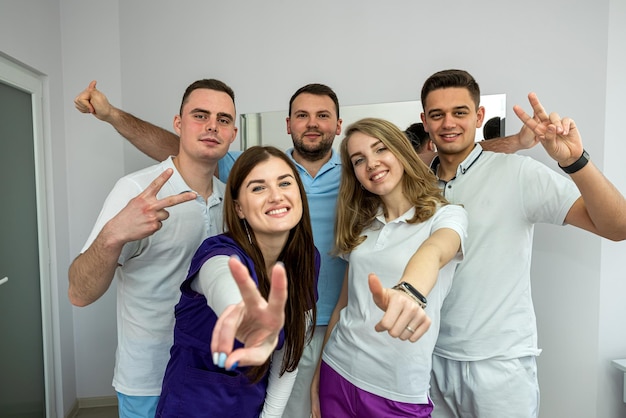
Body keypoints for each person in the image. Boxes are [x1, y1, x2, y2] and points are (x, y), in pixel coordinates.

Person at [73, 80, 534, 417]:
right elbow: (191, 160)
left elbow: (432, 173)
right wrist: (114, 116)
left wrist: (510, 143)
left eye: (322, 116)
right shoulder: (243, 183)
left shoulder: (357, 176)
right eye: (301, 115)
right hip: (198, 371)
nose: (275, 195)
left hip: (320, 330)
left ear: (336, 125)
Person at [418, 69, 626, 418]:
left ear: (479, 116)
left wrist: (573, 160)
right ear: (425, 121)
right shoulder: (416, 186)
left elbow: (618, 226)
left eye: (460, 112)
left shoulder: (518, 173)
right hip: (429, 360)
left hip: (499, 364)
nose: (448, 123)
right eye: (437, 115)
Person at [68, 78, 238, 417]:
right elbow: (79, 293)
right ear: (178, 124)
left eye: (223, 119)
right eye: (200, 115)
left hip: (209, 375)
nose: (211, 126)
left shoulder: (232, 201)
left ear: (233, 133)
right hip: (149, 381)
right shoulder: (136, 190)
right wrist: (112, 235)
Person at [310, 118, 468, 417]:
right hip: (338, 369)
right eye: (359, 160)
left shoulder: (447, 216)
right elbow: (345, 305)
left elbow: (434, 252)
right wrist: (319, 374)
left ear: (400, 152)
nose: (371, 163)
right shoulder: (364, 226)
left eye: (380, 149)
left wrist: (408, 292)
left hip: (397, 390)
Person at [155, 146, 319, 417]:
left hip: (251, 405)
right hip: (191, 407)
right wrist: (241, 312)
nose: (276, 196)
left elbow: (288, 355)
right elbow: (221, 279)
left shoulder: (306, 258)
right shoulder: (217, 253)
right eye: (258, 188)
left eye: (285, 183)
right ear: (239, 208)